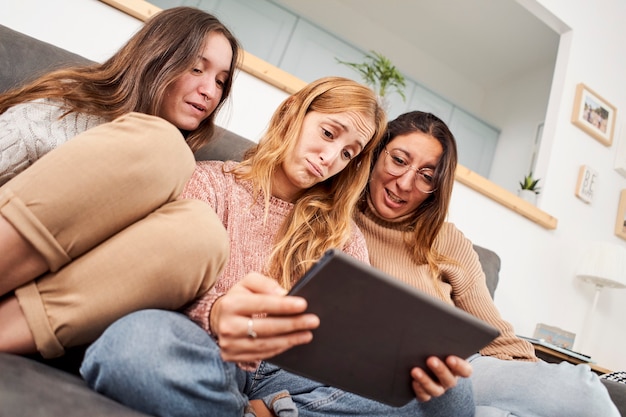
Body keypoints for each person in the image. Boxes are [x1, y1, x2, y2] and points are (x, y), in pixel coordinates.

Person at [81, 77, 476, 417]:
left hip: (296, 379)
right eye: (328, 133)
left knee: (450, 393)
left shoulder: (344, 234)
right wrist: (216, 313)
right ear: (293, 112)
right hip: (213, 350)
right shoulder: (210, 184)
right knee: (129, 346)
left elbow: (344, 347)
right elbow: (158, 284)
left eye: (348, 153)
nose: (330, 158)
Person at [0, 6, 241, 359]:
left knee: (203, 232)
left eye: (221, 81)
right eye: (196, 68)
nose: (209, 91)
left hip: (34, 314)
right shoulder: (67, 108)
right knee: (161, 146)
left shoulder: (179, 174)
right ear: (158, 57)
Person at [353, 110, 620, 417]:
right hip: (384, 379)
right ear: (375, 154)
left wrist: (529, 382)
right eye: (399, 160)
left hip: (461, 369)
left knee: (579, 388)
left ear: (436, 187)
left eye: (426, 176)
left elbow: (494, 332)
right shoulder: (335, 219)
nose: (405, 182)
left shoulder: (445, 239)